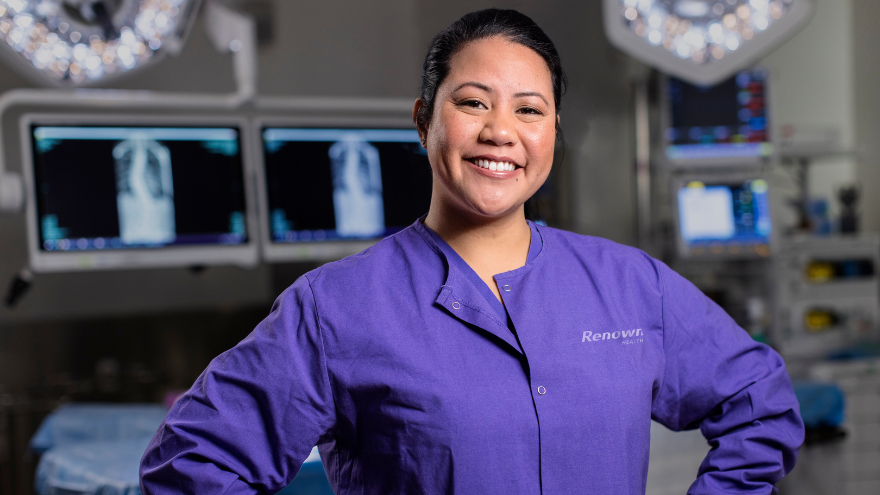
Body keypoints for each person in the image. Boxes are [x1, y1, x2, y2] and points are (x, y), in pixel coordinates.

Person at [140, 9, 803, 494]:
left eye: (530, 110)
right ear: (424, 119)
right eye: (473, 102)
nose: (500, 131)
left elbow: (761, 401)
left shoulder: (628, 284)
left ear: (552, 133)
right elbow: (193, 463)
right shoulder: (336, 308)